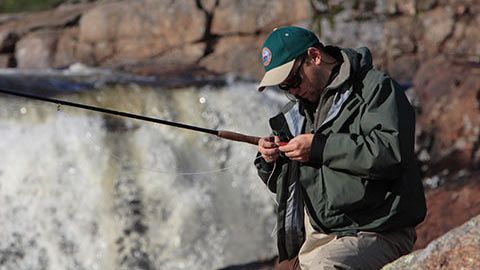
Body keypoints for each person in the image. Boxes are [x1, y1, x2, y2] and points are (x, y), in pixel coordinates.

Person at [254, 26, 427, 270]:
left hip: (378, 231)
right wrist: (271, 161)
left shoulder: (376, 88)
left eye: (293, 80)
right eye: (283, 87)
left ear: (314, 56)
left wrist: (320, 148)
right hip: (320, 239)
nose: (291, 91)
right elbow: (287, 187)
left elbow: (390, 153)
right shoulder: (296, 114)